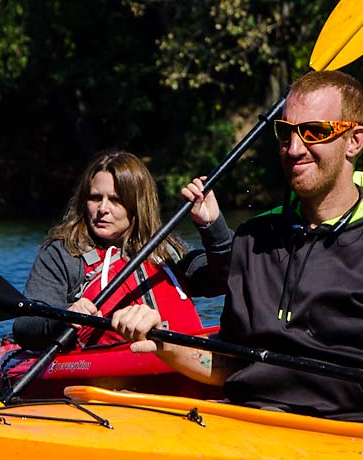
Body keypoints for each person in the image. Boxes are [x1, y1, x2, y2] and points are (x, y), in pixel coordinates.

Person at [111, 71, 363, 426]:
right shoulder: (254, 238)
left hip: (356, 431)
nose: (294, 149)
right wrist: (165, 342)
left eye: (314, 132)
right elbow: (233, 363)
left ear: (355, 141)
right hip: (250, 423)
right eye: (286, 132)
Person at [12, 149, 232, 351]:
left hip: (180, 360)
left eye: (115, 200)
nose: (102, 209)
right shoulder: (64, 253)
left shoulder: (167, 250)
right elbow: (25, 326)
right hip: (102, 367)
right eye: (95, 198)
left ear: (136, 205)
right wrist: (63, 316)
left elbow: (229, 278)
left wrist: (212, 225)